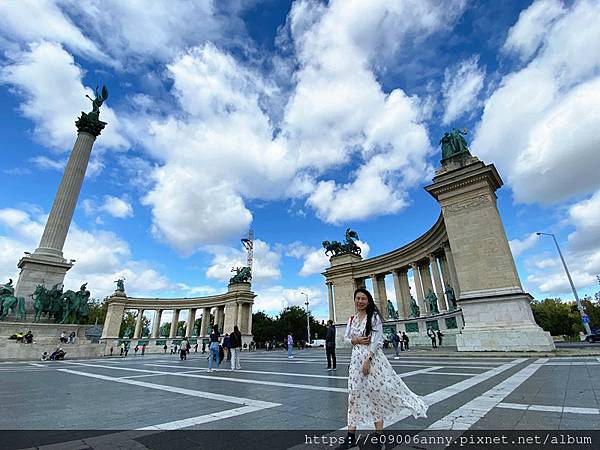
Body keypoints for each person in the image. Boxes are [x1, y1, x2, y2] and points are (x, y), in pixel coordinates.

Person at [336, 288, 427, 450]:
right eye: (357, 298)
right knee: (353, 396)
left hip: (372, 362)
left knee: (375, 396)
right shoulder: (352, 319)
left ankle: (379, 437)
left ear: (368, 301)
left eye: (363, 298)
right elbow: (346, 338)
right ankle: (350, 437)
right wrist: (355, 341)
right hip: (355, 362)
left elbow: (377, 342)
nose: (360, 301)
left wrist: (368, 360)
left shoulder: (374, 318)